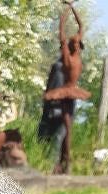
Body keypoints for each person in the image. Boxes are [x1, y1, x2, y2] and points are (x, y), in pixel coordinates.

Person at [42, 1, 90, 173]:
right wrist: (64, 12)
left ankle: (65, 162)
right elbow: (61, 32)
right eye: (74, 43)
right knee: (63, 129)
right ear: (70, 46)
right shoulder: (67, 57)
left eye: (78, 43)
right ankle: (60, 162)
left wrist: (72, 7)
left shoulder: (77, 56)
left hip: (73, 93)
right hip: (65, 91)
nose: (76, 44)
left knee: (68, 129)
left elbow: (81, 26)